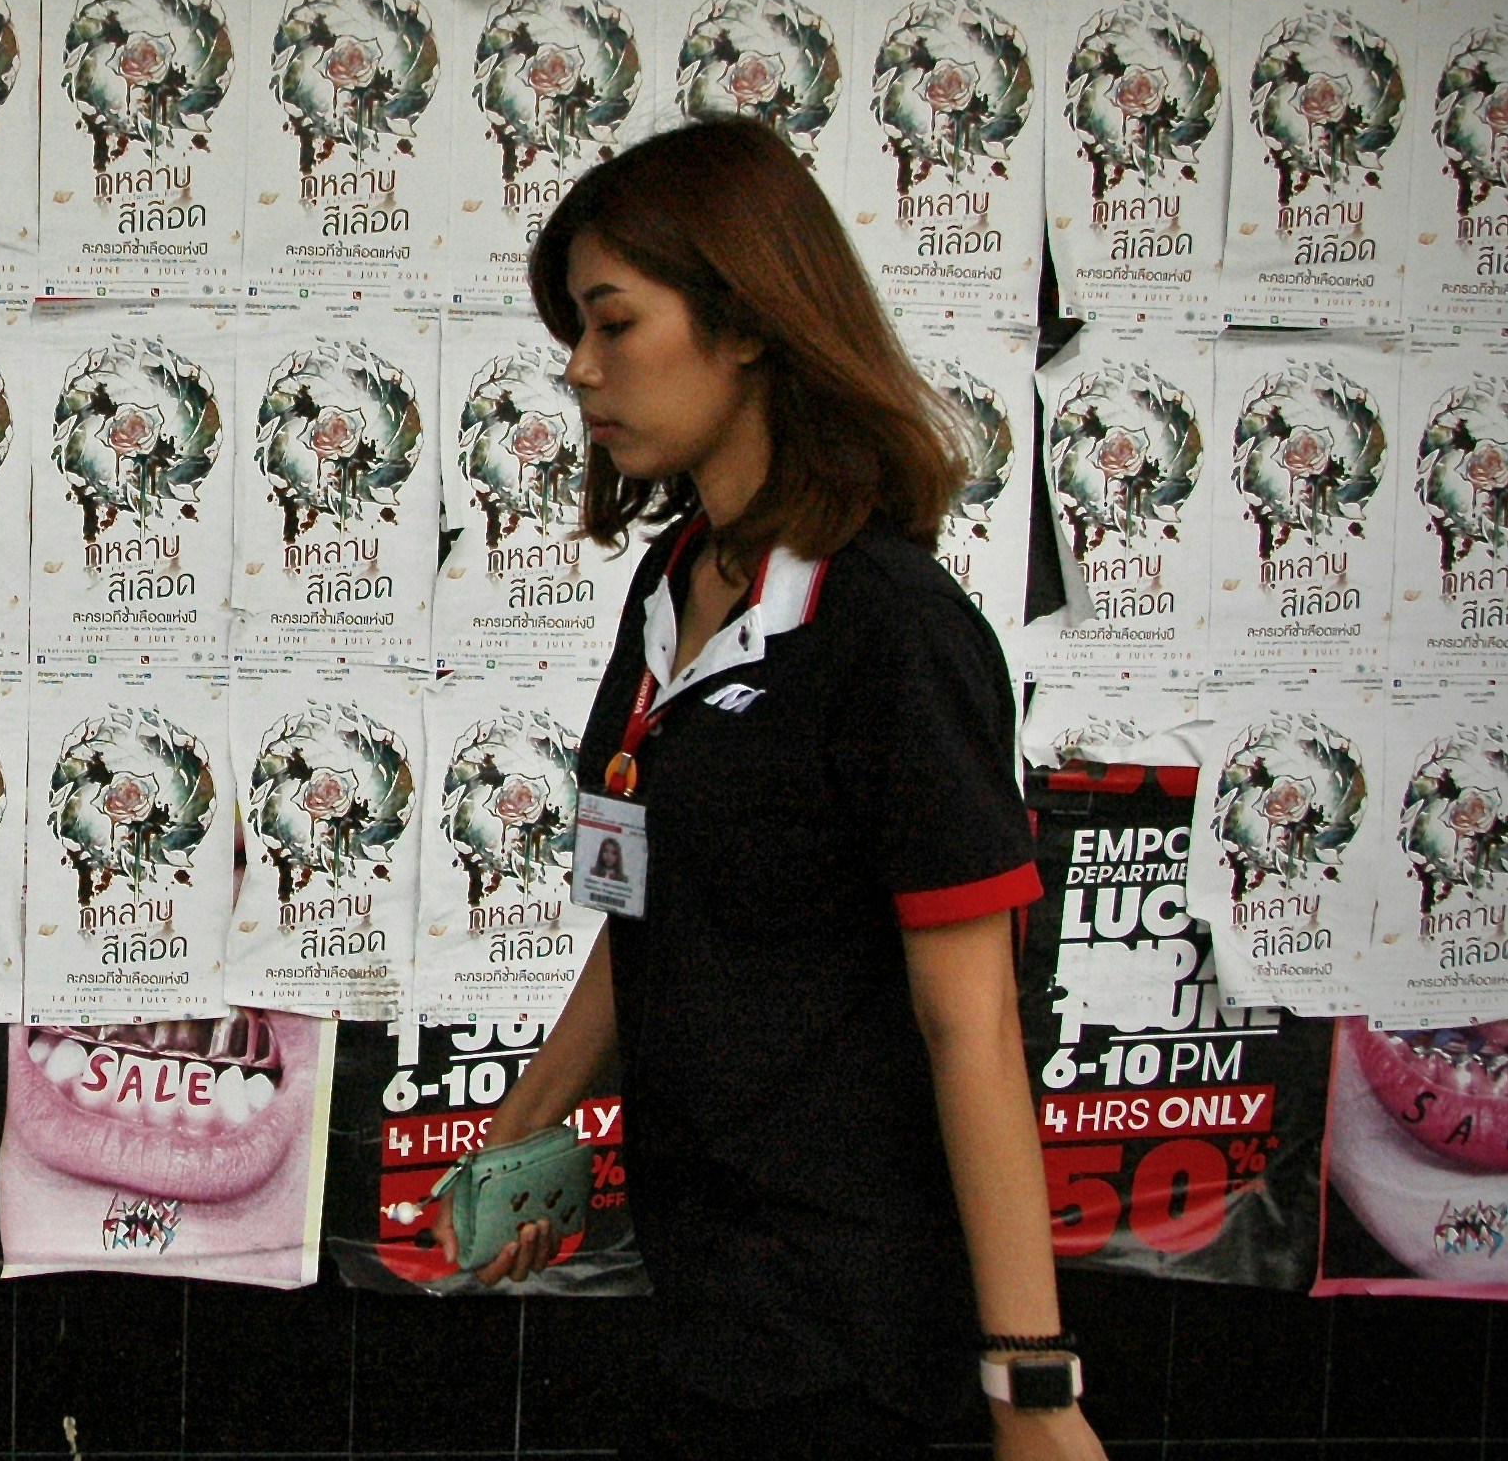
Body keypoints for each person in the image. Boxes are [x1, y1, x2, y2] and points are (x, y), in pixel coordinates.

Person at [435, 117, 1104, 1461]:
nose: (579, 369)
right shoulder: (674, 581)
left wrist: (1031, 1385)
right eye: (575, 327)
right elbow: (648, 909)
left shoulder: (890, 627)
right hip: (700, 1295)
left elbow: (971, 1022)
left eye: (614, 323)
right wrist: (526, 1128)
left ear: (746, 324)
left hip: (858, 1334)